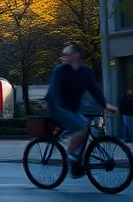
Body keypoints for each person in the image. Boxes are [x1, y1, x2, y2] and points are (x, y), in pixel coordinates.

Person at [43, 43, 118, 177]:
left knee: (83, 130)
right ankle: (70, 156)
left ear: (76, 55)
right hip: (56, 107)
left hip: (72, 109)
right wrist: (56, 103)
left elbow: (94, 89)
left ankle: (76, 166)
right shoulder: (60, 70)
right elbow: (54, 89)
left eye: (66, 54)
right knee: (81, 127)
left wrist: (104, 104)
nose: (63, 57)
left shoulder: (85, 72)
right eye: (63, 55)